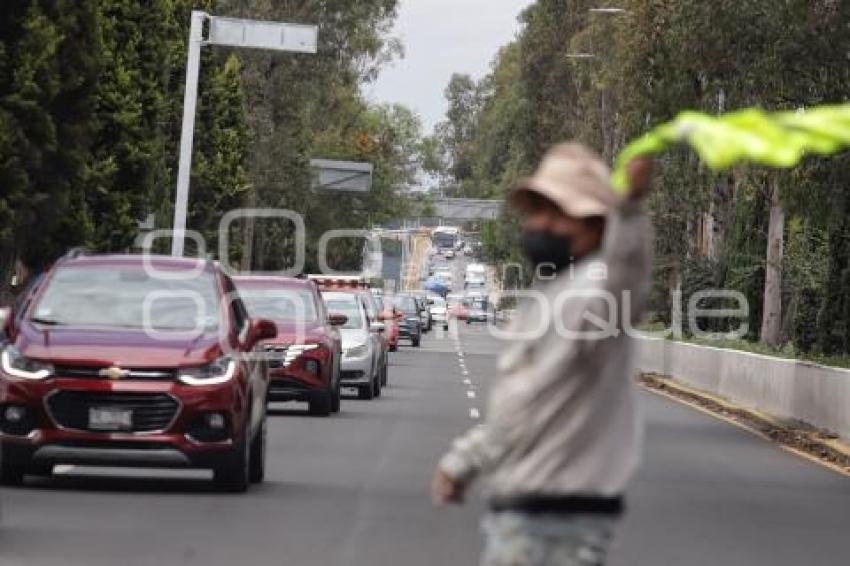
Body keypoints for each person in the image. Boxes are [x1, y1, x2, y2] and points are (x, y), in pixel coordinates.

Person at [432, 143, 653, 566]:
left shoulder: (595, 296)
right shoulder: (552, 294)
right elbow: (524, 405)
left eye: (556, 214)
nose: (539, 225)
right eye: (536, 212)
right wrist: (463, 462)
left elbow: (627, 277)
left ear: (593, 224)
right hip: (528, 508)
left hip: (556, 515)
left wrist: (629, 212)